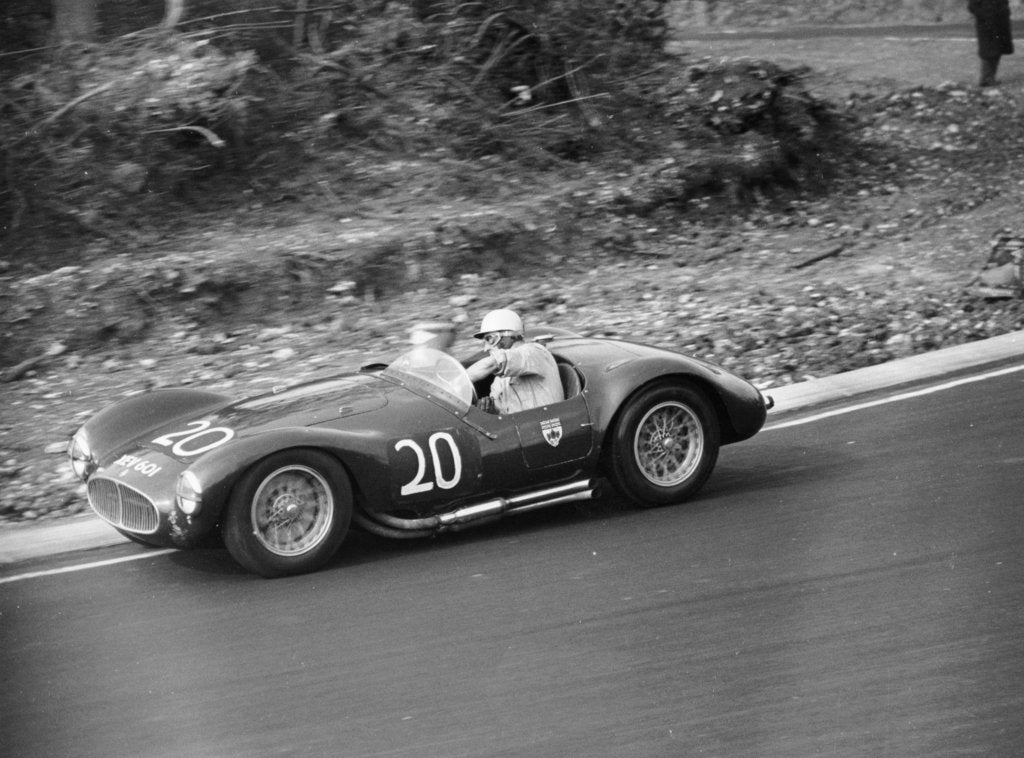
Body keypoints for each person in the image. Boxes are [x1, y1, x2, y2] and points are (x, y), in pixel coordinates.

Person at [466, 308, 563, 414]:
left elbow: (492, 363)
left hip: (546, 420)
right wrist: (490, 410)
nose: (486, 349)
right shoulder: (500, 380)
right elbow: (502, 415)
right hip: (522, 423)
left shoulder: (535, 352)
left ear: (510, 336)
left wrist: (459, 382)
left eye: (490, 339)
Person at [969, 0, 1014, 87]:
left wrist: (1005, 11)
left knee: (997, 50)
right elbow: (972, 6)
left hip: (1000, 23)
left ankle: (990, 78)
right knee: (988, 52)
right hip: (987, 25)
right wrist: (986, 16)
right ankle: (985, 79)